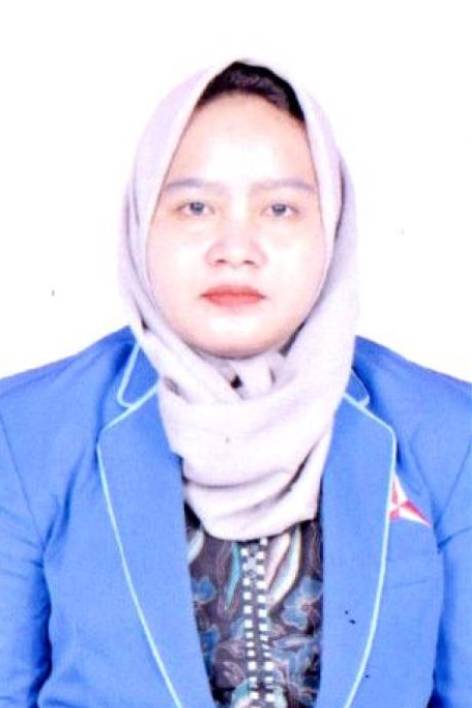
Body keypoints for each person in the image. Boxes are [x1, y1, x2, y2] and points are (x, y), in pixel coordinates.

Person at [0, 54, 470, 708]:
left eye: (280, 209)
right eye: (196, 206)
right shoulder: (26, 433)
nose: (236, 248)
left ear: (332, 225)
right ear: (143, 221)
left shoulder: (446, 431)